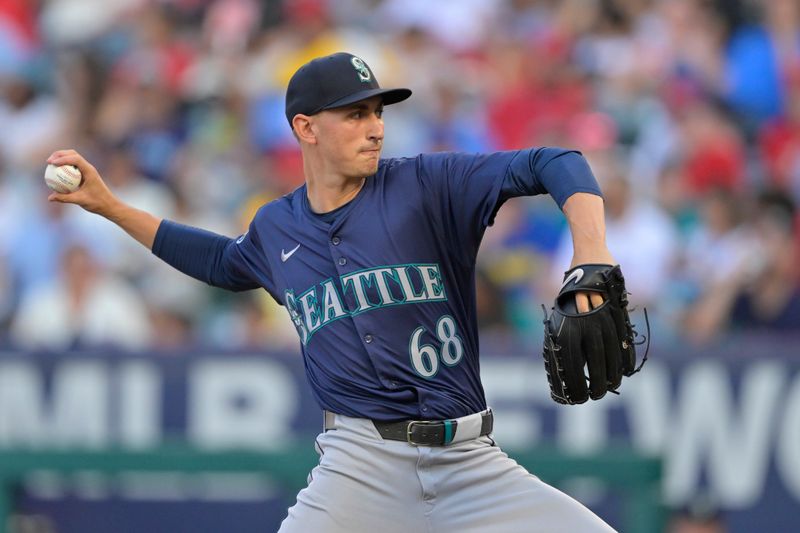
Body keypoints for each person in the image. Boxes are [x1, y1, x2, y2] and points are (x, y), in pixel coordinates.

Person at [47, 52, 620, 532]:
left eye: (377, 112)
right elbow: (222, 262)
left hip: (470, 459)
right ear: (306, 127)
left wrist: (591, 250)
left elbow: (555, 161)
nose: (376, 126)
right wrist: (111, 206)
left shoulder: (426, 184)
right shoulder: (277, 228)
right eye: (355, 114)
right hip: (359, 465)